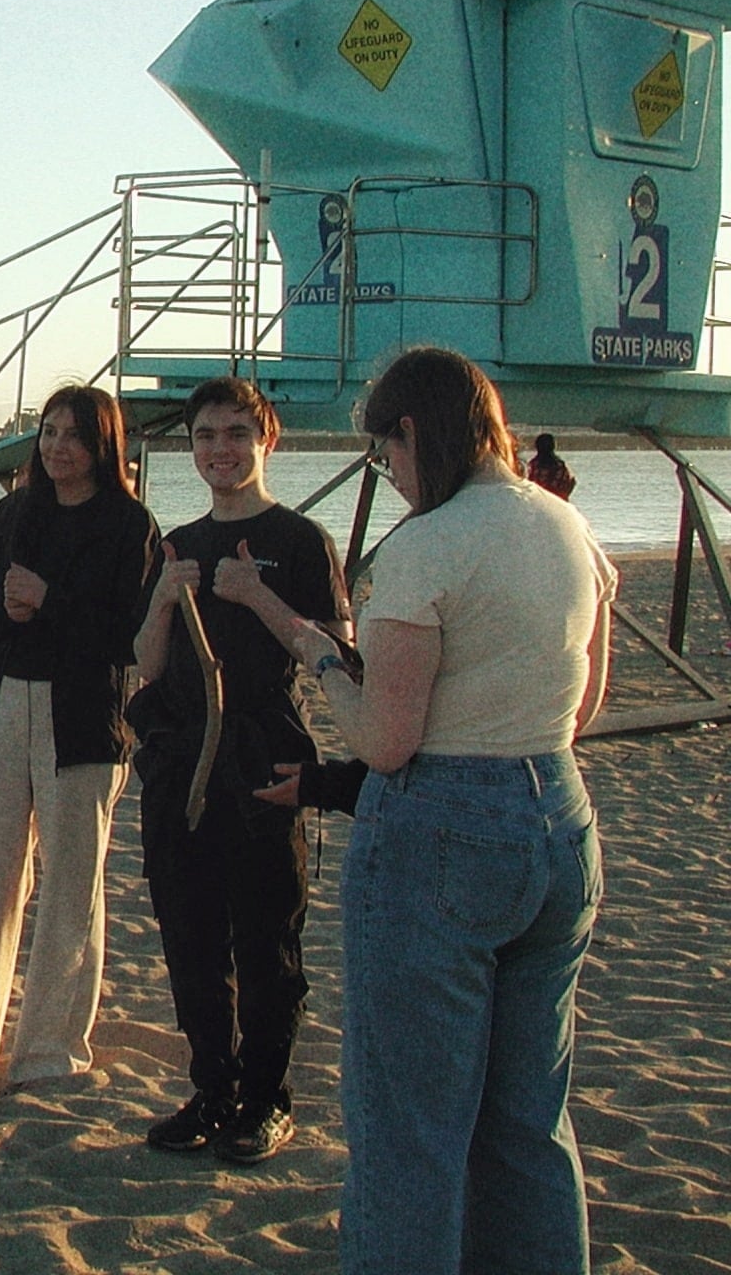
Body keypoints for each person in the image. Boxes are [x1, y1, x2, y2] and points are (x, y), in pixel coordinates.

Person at [269, 347, 614, 1275]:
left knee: (408, 1135)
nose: (388, 474)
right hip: (557, 819)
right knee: (529, 1125)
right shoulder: (566, 527)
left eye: (384, 455)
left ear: (411, 432)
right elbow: (585, 708)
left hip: (444, 831)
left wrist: (324, 658)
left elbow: (386, 742)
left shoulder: (426, 545)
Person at [129, 377, 351, 1162]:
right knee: (189, 938)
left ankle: (265, 1098)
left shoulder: (299, 540)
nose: (219, 450)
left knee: (265, 940)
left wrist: (258, 598)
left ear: (266, 441)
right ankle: (211, 1089)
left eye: (235, 434)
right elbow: (148, 669)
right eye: (204, 436)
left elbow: (339, 661)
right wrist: (160, 601)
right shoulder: (179, 541)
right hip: (182, 763)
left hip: (263, 759)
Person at [0, 385, 157, 1086]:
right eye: (48, 432)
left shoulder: (131, 525)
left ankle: (51, 1048)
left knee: (72, 886)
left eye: (73, 435)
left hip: (86, 718)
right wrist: (9, 612)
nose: (57, 447)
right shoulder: (15, 512)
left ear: (103, 445)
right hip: (6, 703)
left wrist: (50, 601)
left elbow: (129, 638)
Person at [527, 432, 577, 500]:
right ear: (553, 446)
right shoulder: (560, 466)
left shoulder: (532, 465)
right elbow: (570, 483)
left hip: (536, 501)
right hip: (556, 503)